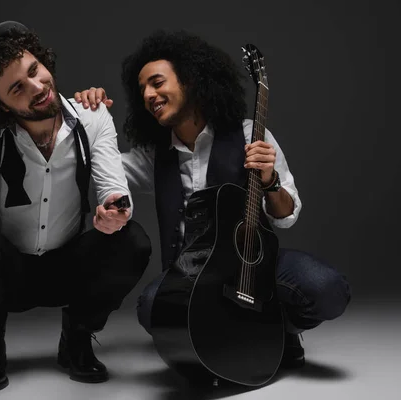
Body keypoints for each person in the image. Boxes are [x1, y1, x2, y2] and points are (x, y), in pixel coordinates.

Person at [74, 30, 351, 370]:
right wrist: (86, 116)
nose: (148, 94)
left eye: (157, 83)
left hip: (253, 264)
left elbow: (285, 215)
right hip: (190, 272)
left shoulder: (250, 134)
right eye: (142, 89)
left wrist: (270, 181)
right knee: (151, 309)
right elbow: (99, 166)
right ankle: (240, 336)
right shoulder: (154, 155)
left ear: (190, 81)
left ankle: (275, 330)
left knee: (327, 288)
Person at [0, 21, 151, 392]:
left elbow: (113, 186)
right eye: (17, 88)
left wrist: (114, 211)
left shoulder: (92, 117)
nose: (37, 88)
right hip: (9, 273)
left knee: (133, 241)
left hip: (70, 268)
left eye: (35, 71)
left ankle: (77, 340)